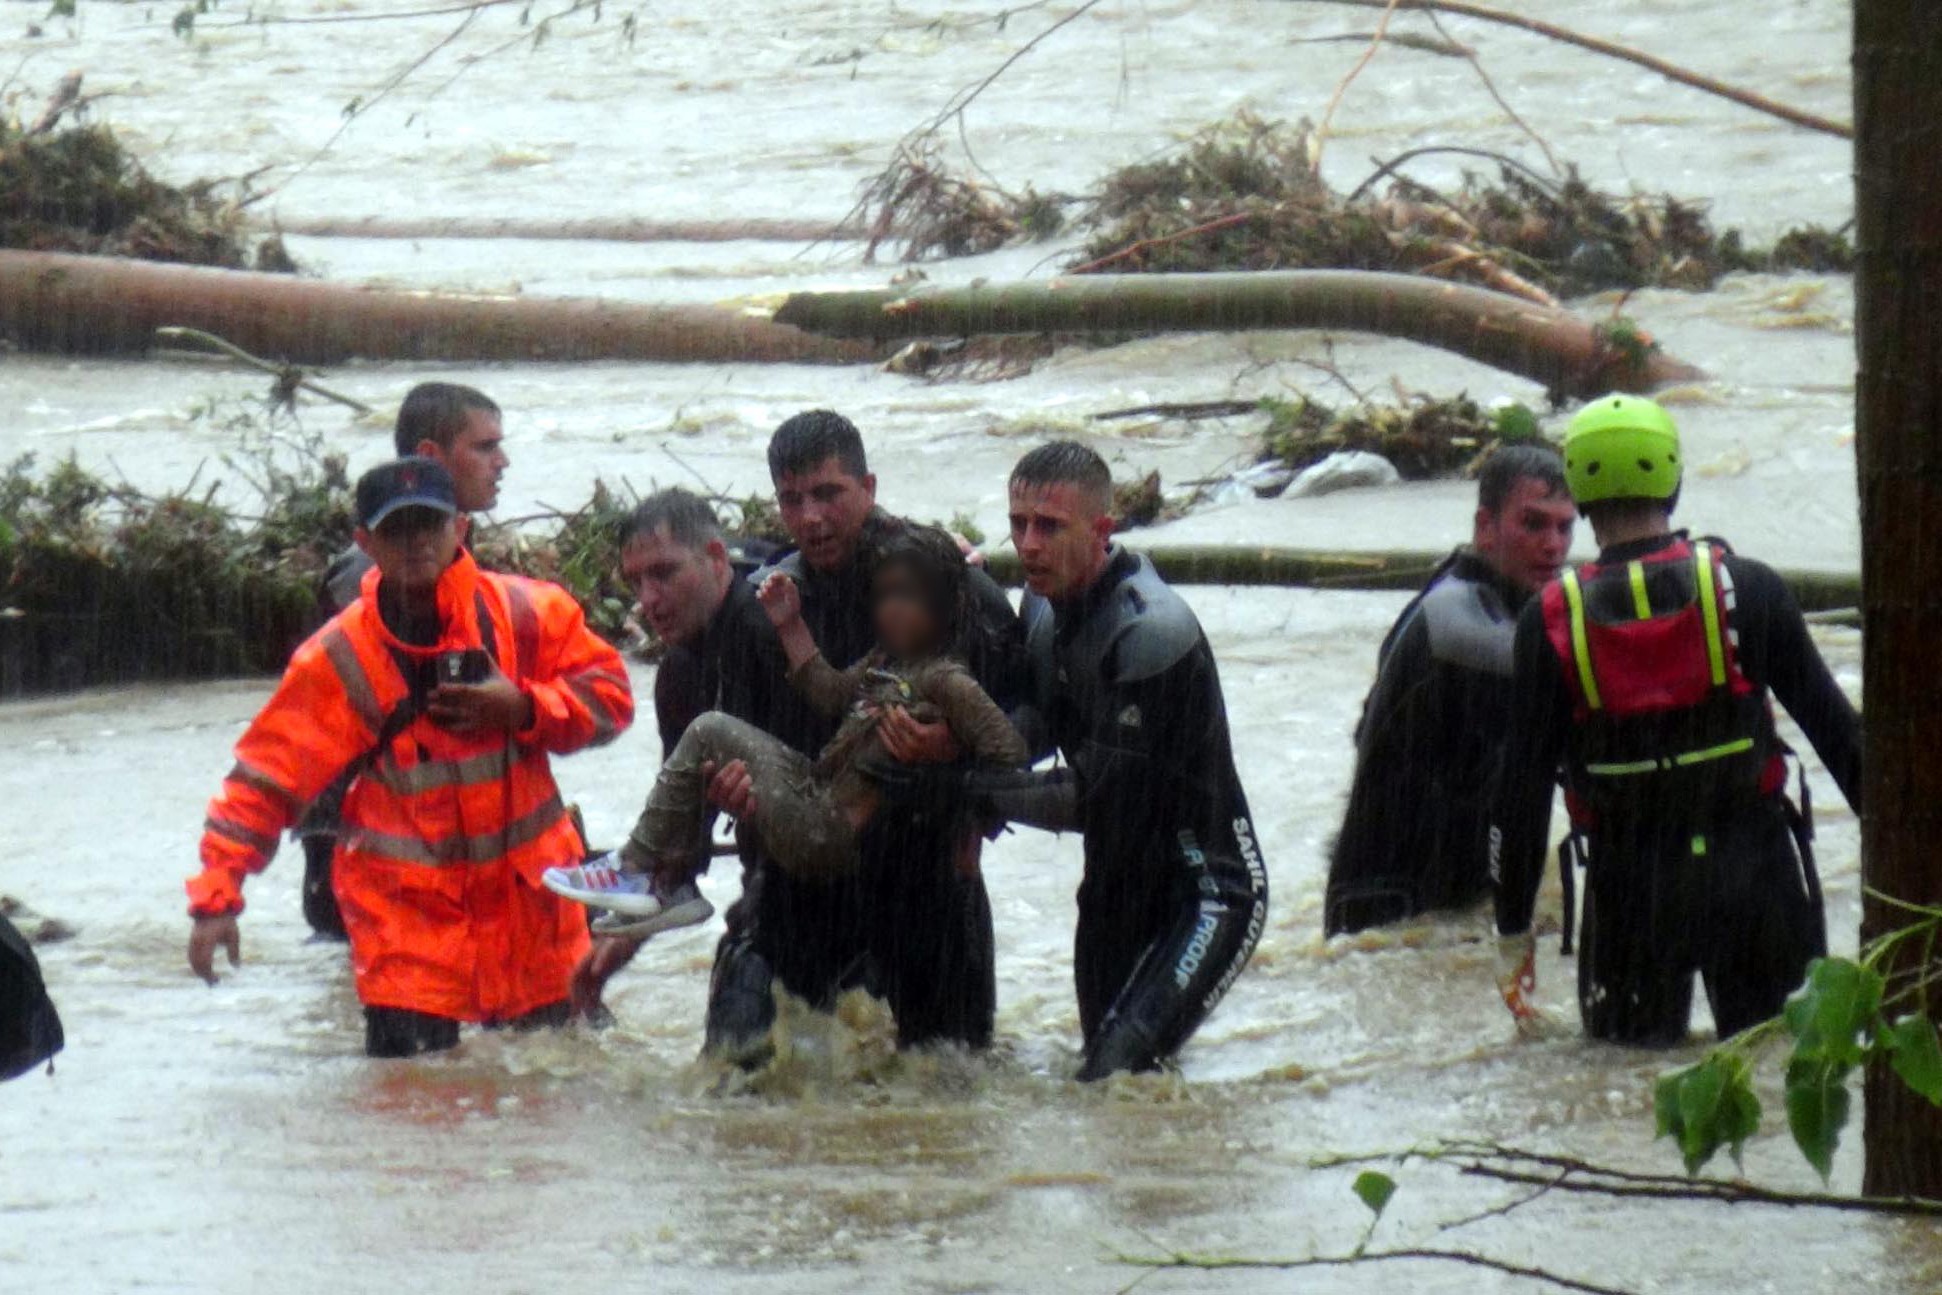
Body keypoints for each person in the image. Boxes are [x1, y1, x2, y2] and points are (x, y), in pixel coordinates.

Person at [186, 458, 634, 1058]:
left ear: (461, 528)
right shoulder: (338, 658)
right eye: (398, 529)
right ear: (365, 543)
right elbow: (264, 783)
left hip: (533, 922)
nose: (418, 541)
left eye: (430, 523)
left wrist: (524, 709)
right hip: (408, 935)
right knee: (412, 1128)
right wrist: (217, 898)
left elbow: (612, 699)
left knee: (549, 1125)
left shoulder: (529, 614)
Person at [1490, 395, 1861, 1045]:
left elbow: (1519, 798)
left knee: (1627, 1105)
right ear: (1675, 480)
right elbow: (1845, 741)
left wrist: (1512, 933)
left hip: (1631, 896)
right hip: (1755, 882)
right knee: (1779, 1072)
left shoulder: (1548, 621)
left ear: (1578, 492)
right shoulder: (1749, 588)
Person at [704, 411, 1027, 1059]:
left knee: (948, 1092)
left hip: (928, 876)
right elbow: (736, 738)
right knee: (752, 1092)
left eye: (829, 493)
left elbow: (1030, 718)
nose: (812, 517)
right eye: (792, 500)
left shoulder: (954, 584)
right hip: (803, 883)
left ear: (869, 486)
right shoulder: (767, 606)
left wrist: (955, 750)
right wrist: (730, 788)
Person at [547, 525, 1027, 934]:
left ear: (945, 603)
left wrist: (948, 750)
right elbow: (831, 693)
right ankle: (667, 880)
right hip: (816, 791)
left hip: (826, 830)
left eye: (910, 595)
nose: (893, 609)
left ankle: (638, 869)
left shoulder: (947, 679)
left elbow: (1010, 753)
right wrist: (792, 625)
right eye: (884, 596)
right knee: (710, 739)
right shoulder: (887, 660)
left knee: (710, 728)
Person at [976, 441, 1268, 1080]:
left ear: (1101, 530)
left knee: (1115, 1075)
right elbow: (1037, 728)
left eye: (1048, 526)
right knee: (1108, 1096)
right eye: (1017, 524)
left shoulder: (1150, 631)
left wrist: (967, 790)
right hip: (1113, 884)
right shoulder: (1042, 606)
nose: (1027, 544)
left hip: (1206, 893)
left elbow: (1094, 798)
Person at [1324, 445, 1576, 934]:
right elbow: (1565, 691)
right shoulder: (1456, 622)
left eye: (1564, 527)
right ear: (1486, 526)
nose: (1553, 546)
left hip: (1447, 898)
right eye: (1533, 523)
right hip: (1390, 911)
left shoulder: (1498, 603)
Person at [301, 383, 512, 939]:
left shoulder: (448, 564)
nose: (502, 462)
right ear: (429, 458)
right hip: (365, 841)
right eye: (486, 447)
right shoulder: (368, 578)